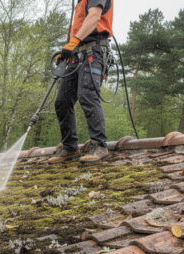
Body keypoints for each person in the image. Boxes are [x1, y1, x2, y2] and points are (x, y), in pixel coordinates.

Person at [48, 0, 113, 164]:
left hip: (94, 50)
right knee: (62, 100)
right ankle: (70, 147)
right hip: (77, 55)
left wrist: (74, 40)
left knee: (87, 95)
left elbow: (94, 17)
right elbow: (80, 27)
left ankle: (99, 145)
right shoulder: (80, 3)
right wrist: (68, 49)